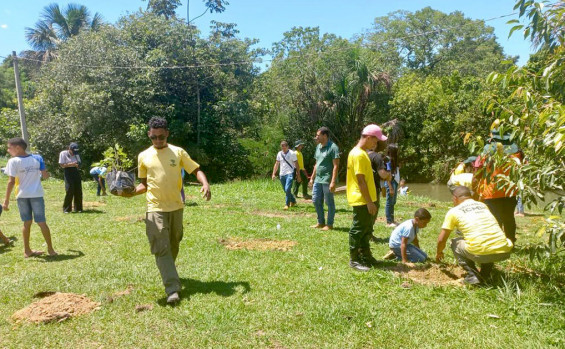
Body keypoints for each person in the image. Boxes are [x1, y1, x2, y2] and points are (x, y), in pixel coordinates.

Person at [122, 117, 211, 304]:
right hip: (155, 207)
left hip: (176, 206)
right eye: (154, 137)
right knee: (161, 247)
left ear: (167, 134)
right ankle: (172, 289)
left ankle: (168, 271)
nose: (157, 141)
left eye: (161, 137)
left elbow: (196, 170)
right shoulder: (143, 156)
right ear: (149, 134)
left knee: (174, 243)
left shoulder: (178, 152)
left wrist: (205, 183)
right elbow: (143, 184)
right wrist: (128, 194)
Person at [436, 186, 513, 285]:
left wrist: (439, 253)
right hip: (504, 249)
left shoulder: (454, 211)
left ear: (455, 198)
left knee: (454, 242)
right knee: (485, 241)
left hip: (482, 251)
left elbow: (441, 239)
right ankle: (485, 274)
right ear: (470, 196)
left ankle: (473, 275)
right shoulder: (483, 205)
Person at [3, 137, 57, 257]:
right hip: (36, 195)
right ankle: (51, 250)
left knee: (26, 223)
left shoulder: (13, 161)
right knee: (42, 222)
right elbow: (46, 176)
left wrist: (6, 201)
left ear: (18, 148)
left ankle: (27, 251)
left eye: (9, 147)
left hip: (21, 196)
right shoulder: (37, 158)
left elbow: (11, 181)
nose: (8, 150)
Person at [346, 124, 388, 271]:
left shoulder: (362, 153)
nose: (376, 144)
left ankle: (366, 256)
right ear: (368, 137)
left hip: (367, 198)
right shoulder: (358, 154)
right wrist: (369, 202)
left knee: (366, 228)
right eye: (375, 141)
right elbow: (360, 180)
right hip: (362, 199)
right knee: (358, 229)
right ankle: (354, 259)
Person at [309, 127, 340, 231]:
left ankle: (329, 224)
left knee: (329, 202)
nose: (316, 137)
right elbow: (316, 164)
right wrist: (312, 178)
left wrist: (333, 181)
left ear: (325, 136)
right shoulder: (318, 147)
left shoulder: (333, 147)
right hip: (318, 178)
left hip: (327, 179)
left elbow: (336, 166)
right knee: (315, 200)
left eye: (318, 135)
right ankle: (320, 222)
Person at [272, 141, 301, 210]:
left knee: (287, 189)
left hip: (289, 173)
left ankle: (287, 204)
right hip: (282, 174)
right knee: (285, 190)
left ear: (287, 147)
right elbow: (277, 164)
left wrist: (298, 174)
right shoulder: (279, 154)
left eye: (285, 147)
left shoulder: (292, 153)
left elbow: (296, 164)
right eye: (282, 147)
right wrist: (273, 174)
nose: (284, 148)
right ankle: (293, 201)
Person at [59, 142, 83, 213]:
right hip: (68, 172)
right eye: (73, 151)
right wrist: (71, 164)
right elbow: (62, 165)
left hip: (75, 171)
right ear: (69, 148)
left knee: (78, 190)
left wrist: (78, 165)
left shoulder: (76, 154)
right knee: (70, 189)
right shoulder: (63, 153)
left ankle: (78, 208)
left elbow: (79, 163)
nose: (73, 153)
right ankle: (67, 209)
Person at [384, 144, 400, 227]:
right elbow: (387, 175)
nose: (398, 152)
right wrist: (390, 187)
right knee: (389, 202)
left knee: (393, 202)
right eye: (396, 151)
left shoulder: (394, 160)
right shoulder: (388, 160)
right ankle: (389, 221)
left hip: (395, 182)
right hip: (391, 182)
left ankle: (392, 220)